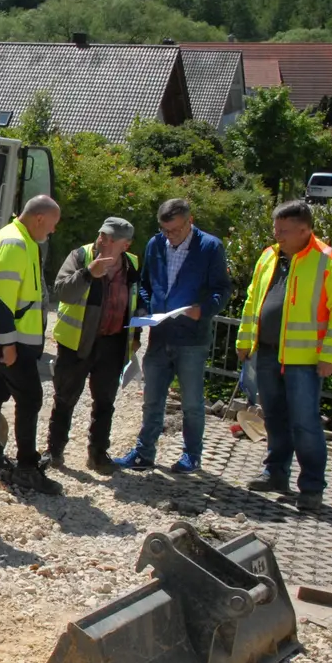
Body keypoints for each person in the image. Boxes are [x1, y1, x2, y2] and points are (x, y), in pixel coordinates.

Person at [236, 200, 332, 512]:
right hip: (268, 352)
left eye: (285, 231)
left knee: (305, 423)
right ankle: (275, 474)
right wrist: (244, 339)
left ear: (306, 230)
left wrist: (330, 355)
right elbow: (252, 300)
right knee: (274, 417)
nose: (278, 236)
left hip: (305, 359)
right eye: (276, 230)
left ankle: (312, 487)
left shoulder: (330, 260)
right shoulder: (269, 256)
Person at [114, 198, 231, 474]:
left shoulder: (210, 247)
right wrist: (144, 306)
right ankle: (144, 454)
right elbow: (145, 284)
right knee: (152, 398)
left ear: (190, 222)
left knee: (191, 402)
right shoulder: (156, 245)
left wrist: (203, 310)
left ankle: (192, 456)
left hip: (192, 338)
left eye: (175, 230)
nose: (170, 236)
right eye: (165, 230)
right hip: (160, 334)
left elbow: (222, 289)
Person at [0, 194, 63, 496]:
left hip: (1, 337)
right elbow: (3, 301)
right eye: (51, 226)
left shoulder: (17, 237)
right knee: (31, 398)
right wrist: (9, 345)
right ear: (39, 219)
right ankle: (26, 468)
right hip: (7, 341)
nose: (52, 232)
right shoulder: (16, 244)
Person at [46, 217, 140, 475]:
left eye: (111, 239)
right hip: (76, 342)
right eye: (102, 235)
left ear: (126, 245)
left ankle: (98, 454)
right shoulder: (80, 256)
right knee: (65, 398)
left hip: (114, 343)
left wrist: (138, 329)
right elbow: (62, 292)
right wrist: (88, 274)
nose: (104, 242)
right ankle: (54, 451)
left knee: (105, 402)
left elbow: (137, 299)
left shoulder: (131, 264)